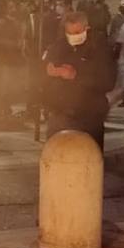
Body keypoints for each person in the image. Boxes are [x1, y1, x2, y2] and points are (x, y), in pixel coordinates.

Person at [43, 11, 117, 148]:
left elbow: (107, 82)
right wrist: (48, 71)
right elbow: (44, 73)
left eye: (77, 32)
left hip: (89, 115)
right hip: (60, 113)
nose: (73, 37)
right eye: (69, 33)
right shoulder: (59, 46)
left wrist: (76, 76)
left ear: (86, 29)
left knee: (88, 158)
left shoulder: (100, 49)